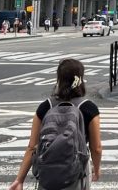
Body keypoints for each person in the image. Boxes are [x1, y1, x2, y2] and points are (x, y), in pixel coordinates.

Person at [8, 58, 103, 190]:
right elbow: (96, 148)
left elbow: (32, 147)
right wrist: (96, 170)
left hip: (48, 170)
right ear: (80, 79)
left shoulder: (45, 107)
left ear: (59, 79)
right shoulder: (89, 108)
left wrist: (19, 179)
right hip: (76, 171)